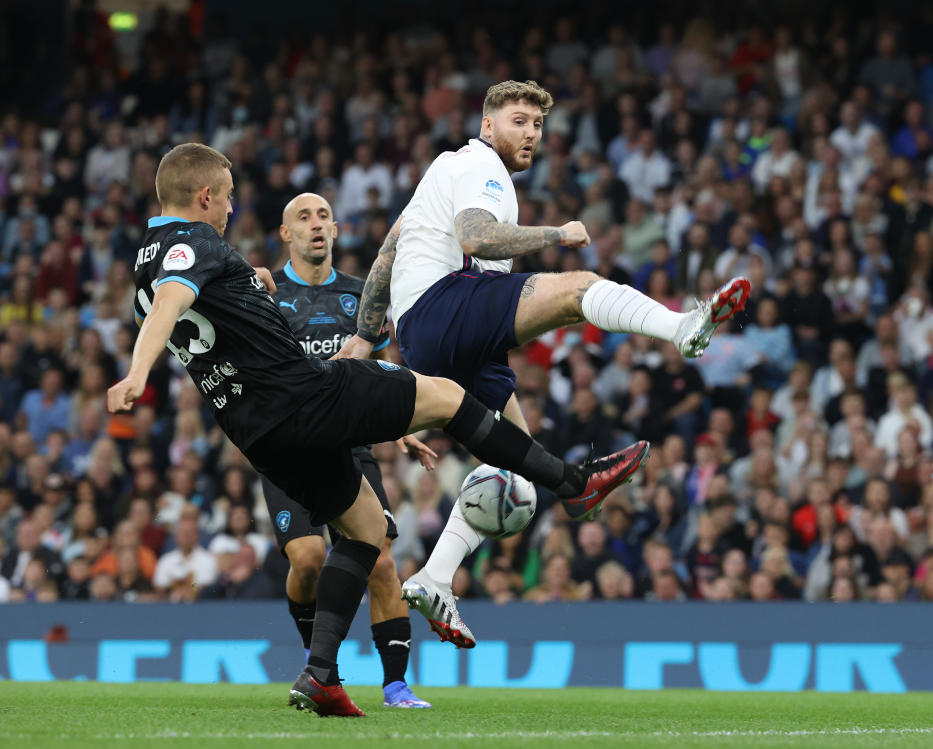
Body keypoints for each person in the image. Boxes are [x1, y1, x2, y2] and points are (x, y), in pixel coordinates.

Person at [107, 143, 647, 717]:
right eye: (228, 200)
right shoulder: (194, 242)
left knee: (366, 530)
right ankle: (571, 484)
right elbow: (173, 301)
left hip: (256, 431)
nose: (230, 211)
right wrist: (136, 373)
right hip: (302, 394)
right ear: (205, 196)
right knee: (447, 395)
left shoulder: (148, 258)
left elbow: (185, 309)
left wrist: (248, 286)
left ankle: (320, 676)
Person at [337, 80, 748, 647]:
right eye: (518, 120)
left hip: (434, 331)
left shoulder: (446, 168)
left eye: (537, 124)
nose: (530, 133)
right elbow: (476, 239)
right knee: (578, 288)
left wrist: (365, 335)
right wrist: (558, 233)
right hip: (445, 305)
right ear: (487, 125)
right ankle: (684, 328)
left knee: (518, 475)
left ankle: (434, 578)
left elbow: (388, 248)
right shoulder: (482, 166)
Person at [265, 191, 433, 708]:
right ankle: (322, 665)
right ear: (286, 235)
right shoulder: (266, 297)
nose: (315, 225)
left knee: (380, 558)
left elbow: (377, 372)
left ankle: (396, 687)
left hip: (349, 443)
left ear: (335, 230)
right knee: (310, 557)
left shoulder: (363, 296)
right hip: (288, 448)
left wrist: (400, 424)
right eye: (303, 218)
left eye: (323, 217)